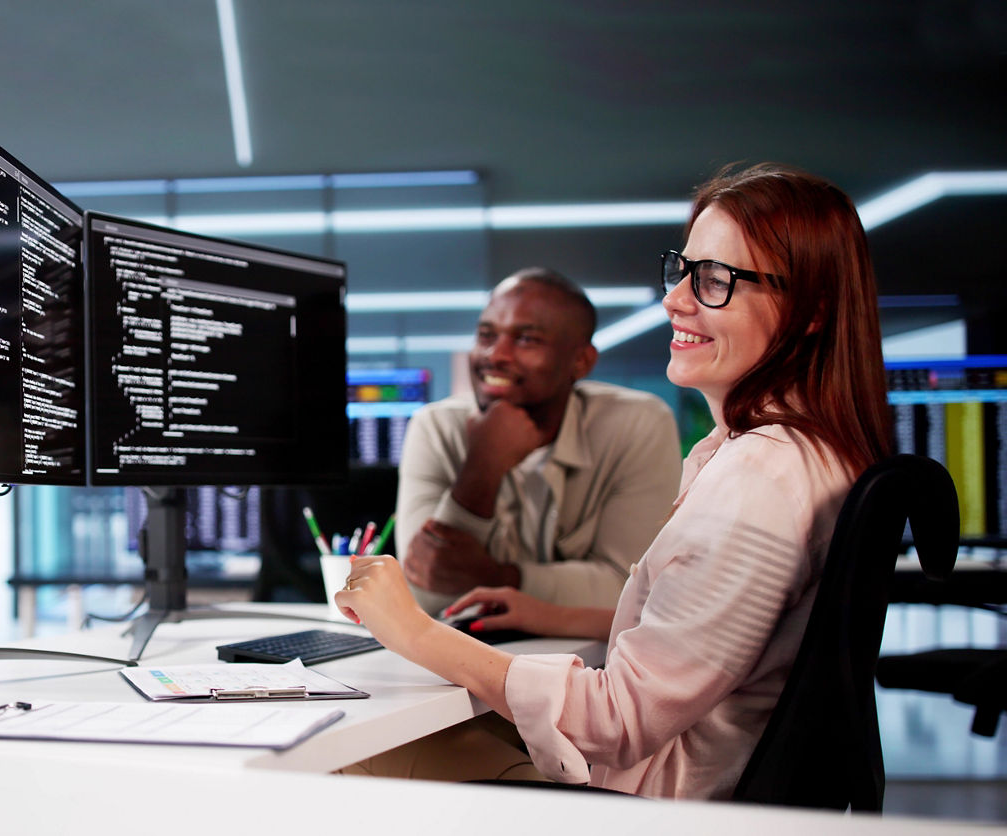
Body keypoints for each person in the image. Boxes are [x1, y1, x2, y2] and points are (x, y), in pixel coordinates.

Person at [336, 163, 892, 799]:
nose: (674, 300)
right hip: (683, 782)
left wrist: (413, 632)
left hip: (650, 805)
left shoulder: (757, 484)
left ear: (811, 312)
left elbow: (617, 721)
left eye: (716, 280)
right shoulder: (808, 455)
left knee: (337, 756)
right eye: (683, 270)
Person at [396, 267, 681, 616]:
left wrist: (496, 577)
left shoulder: (637, 425)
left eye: (526, 339)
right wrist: (482, 467)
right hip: (464, 646)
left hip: (594, 649)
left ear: (581, 361)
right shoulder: (436, 427)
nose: (495, 355)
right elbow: (425, 591)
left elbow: (633, 590)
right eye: (486, 335)